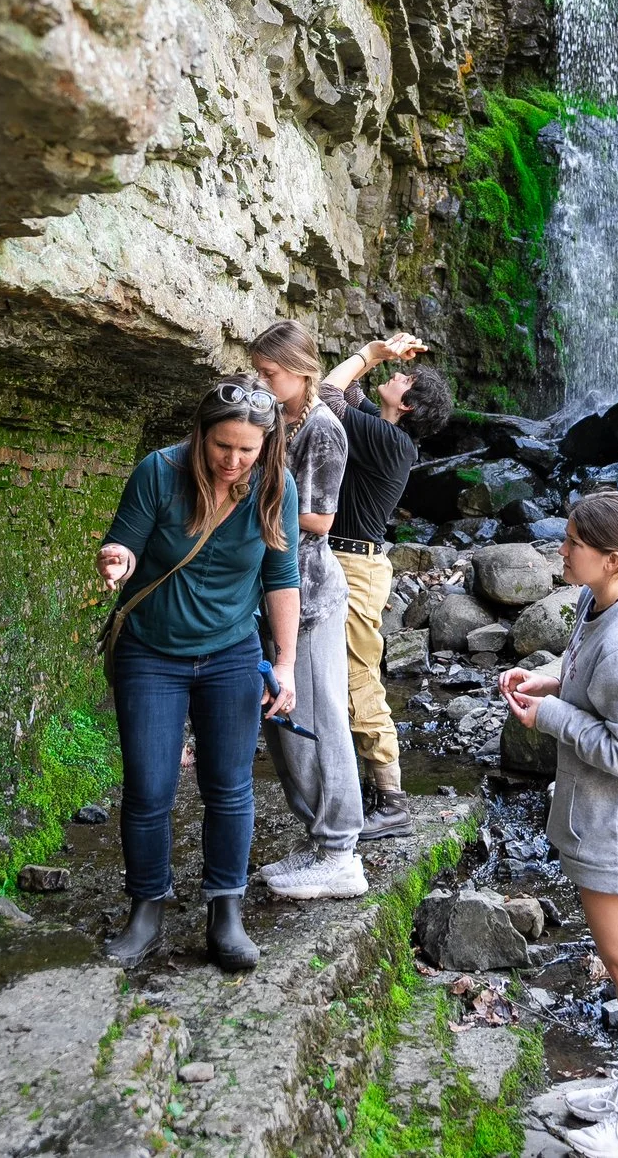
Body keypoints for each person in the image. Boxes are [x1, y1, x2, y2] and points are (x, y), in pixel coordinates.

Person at [498, 493, 618, 1158]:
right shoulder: (598, 600)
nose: (562, 545)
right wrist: (550, 681)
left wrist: (548, 718)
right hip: (610, 823)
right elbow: (583, 668)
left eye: (574, 540)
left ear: (612, 558)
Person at [93, 380, 301, 972]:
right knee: (150, 786)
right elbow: (124, 544)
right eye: (222, 447)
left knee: (230, 786)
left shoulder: (273, 488)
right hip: (151, 651)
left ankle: (225, 910)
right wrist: (116, 559)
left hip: (232, 652)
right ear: (200, 435)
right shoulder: (159, 473)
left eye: (247, 450)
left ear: (266, 445)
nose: (233, 462)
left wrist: (284, 664)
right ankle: (147, 908)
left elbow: (281, 577)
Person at [245, 321, 365, 901]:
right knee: (287, 729)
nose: (262, 383)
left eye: (269, 374)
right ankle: (318, 841)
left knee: (321, 724)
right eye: (258, 374)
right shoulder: (279, 420)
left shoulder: (322, 429)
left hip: (312, 597)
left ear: (300, 369)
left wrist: (249, 513)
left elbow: (320, 520)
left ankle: (342, 850)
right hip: (273, 594)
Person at [318, 332, 454, 838]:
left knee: (357, 678)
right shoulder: (382, 430)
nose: (395, 376)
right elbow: (346, 391)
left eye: (404, 379)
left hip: (354, 569)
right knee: (336, 675)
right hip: (347, 561)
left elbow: (325, 397)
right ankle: (363, 788)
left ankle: (392, 800)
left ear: (410, 404)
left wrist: (372, 356)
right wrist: (380, 353)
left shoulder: (392, 441)